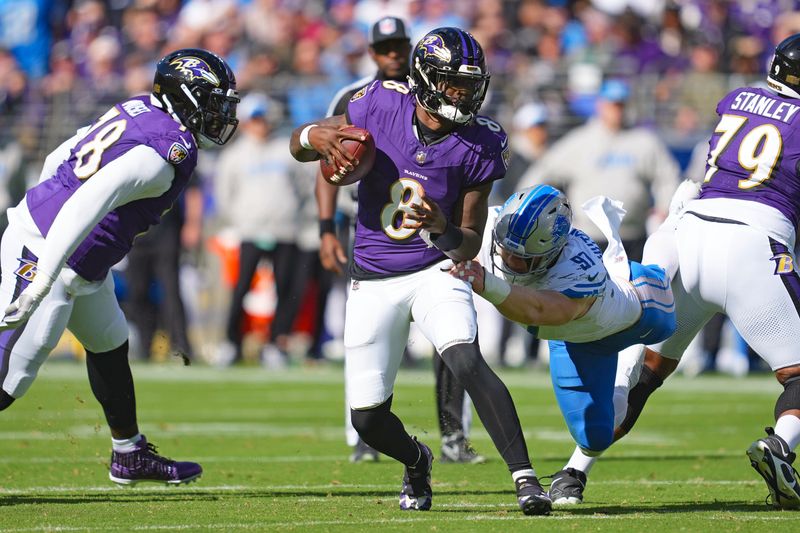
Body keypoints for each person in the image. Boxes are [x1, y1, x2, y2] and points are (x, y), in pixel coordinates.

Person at [290, 27, 551, 515]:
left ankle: (526, 478)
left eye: (471, 85)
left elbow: (469, 241)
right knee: (367, 420)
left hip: (435, 269)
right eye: (454, 83)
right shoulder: (378, 103)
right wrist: (312, 135)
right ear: (427, 79)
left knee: (466, 359)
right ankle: (416, 460)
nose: (464, 94)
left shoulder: (481, 142)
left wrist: (442, 227)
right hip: (372, 277)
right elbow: (300, 146)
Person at [559, 34, 800, 510]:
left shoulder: (737, 99)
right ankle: (780, 445)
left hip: (691, 235)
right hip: (752, 244)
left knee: (644, 376)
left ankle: (572, 473)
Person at [0, 48, 239, 485]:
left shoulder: (142, 108)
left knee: (109, 342)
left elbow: (59, 157)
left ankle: (129, 453)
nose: (220, 114)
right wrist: (43, 278)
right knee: (11, 375)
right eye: (213, 102)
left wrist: (43, 204)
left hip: (71, 256)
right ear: (184, 96)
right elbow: (86, 201)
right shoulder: (164, 152)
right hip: (50, 254)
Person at [449, 184, 676, 505]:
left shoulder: (578, 266)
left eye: (520, 257)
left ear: (552, 252)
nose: (507, 258)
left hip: (636, 311)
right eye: (505, 249)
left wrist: (488, 284)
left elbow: (540, 311)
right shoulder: (496, 225)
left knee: (668, 312)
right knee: (594, 438)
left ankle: (674, 226)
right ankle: (623, 380)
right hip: (575, 339)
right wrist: (436, 228)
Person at [321, 16, 483, 465]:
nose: (393, 53)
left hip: (434, 231)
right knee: (367, 339)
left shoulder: (447, 96)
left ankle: (453, 434)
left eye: (400, 45)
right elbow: (325, 161)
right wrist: (325, 226)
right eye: (385, 47)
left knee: (452, 337)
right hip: (374, 231)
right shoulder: (358, 97)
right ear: (373, 53)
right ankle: (367, 435)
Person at [520, 79, 680, 262]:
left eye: (620, 105)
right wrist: (528, 211)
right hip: (589, 238)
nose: (616, 110)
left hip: (633, 236)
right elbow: (542, 171)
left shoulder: (643, 141)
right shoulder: (580, 141)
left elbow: (668, 176)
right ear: (600, 105)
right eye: (612, 104)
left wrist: (664, 207)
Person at [214, 92, 301, 368]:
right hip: (250, 231)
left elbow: (302, 187)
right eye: (256, 119)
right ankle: (232, 343)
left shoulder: (286, 150)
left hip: (284, 230)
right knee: (241, 288)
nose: (261, 124)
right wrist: (242, 220)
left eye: (264, 118)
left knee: (284, 288)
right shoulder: (234, 155)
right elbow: (224, 195)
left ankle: (276, 343)